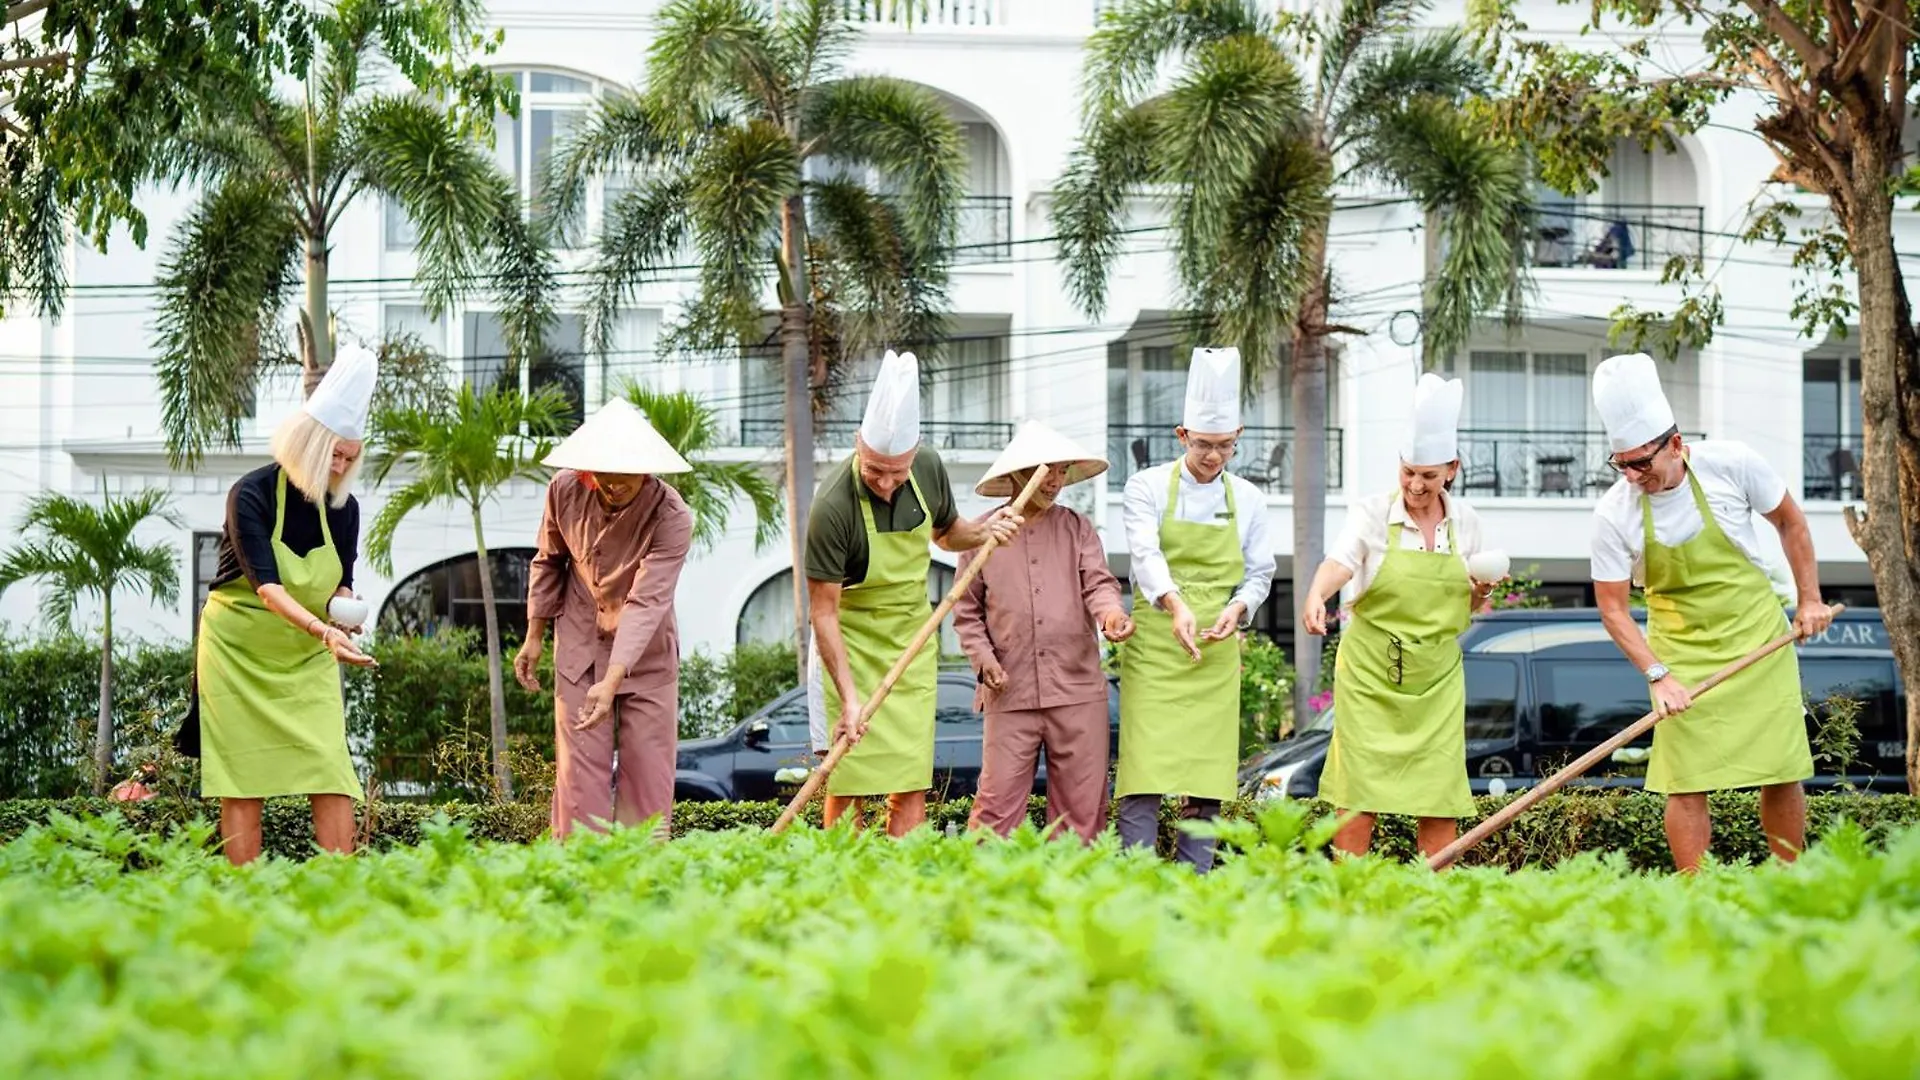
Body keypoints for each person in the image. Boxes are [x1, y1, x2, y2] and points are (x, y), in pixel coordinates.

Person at [1588, 353, 1831, 872]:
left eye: (1641, 462)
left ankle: (1790, 881)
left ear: (1675, 444)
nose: (1632, 476)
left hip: (1758, 642)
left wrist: (1808, 598)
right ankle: (1696, 898)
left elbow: (1791, 522)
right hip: (1682, 654)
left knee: (1781, 769)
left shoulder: (1732, 463)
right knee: (1685, 779)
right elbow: (1613, 609)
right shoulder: (1614, 511)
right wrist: (1658, 675)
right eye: (1622, 463)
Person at [806, 349, 1021, 836]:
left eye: (896, 472)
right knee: (848, 780)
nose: (885, 483)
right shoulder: (831, 505)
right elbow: (824, 614)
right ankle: (838, 888)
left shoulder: (926, 467)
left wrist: (986, 531)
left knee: (909, 781)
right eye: (874, 469)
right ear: (859, 445)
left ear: (914, 454)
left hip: (910, 641)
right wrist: (850, 698)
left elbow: (948, 534)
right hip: (850, 646)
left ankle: (904, 887)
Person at [196, 345, 379, 866]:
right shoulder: (250, 494)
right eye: (334, 455)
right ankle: (245, 899)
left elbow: (339, 582)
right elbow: (268, 587)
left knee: (331, 767)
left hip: (304, 655)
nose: (341, 467)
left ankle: (338, 894)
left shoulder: (344, 511)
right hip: (238, 654)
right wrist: (325, 632)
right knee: (242, 776)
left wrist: (344, 612)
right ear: (308, 444)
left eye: (350, 457)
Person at [1302, 372, 1499, 859]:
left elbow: (1471, 607)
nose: (1415, 484)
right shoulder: (1371, 513)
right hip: (1370, 674)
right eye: (1408, 471)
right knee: (1357, 793)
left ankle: (1434, 900)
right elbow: (1341, 562)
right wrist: (1315, 595)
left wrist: (1480, 593)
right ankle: (1351, 896)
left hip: (1435, 679)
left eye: (1428, 476)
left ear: (1451, 469)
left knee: (1438, 797)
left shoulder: (1467, 523)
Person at [1117, 346, 1275, 872]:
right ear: (1181, 435)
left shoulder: (1250, 498)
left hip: (1214, 649)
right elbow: (1145, 554)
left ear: (1239, 438)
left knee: (1206, 777)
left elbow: (1259, 572)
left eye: (1225, 446)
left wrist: (1240, 608)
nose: (1213, 457)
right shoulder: (1143, 487)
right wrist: (1175, 604)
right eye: (1204, 444)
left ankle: (1196, 885)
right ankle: (1135, 883)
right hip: (1156, 645)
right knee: (1143, 772)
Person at [515, 398, 694, 840]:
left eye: (624, 482)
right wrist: (534, 636)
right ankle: (579, 880)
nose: (613, 488)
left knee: (647, 782)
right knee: (580, 782)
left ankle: (642, 884)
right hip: (578, 644)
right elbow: (548, 561)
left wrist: (613, 678)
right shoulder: (564, 489)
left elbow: (647, 601)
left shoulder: (672, 517)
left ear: (647, 473)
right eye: (604, 479)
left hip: (646, 657)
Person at [953, 420, 1133, 843]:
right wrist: (985, 662)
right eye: (1046, 470)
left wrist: (1111, 616)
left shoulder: (1077, 528)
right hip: (1008, 689)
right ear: (1018, 473)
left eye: (1061, 470)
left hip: (1077, 688)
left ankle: (1073, 901)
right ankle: (984, 898)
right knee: (996, 809)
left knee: (1083, 810)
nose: (1055, 480)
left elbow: (1100, 585)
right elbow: (965, 611)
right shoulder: (981, 535)